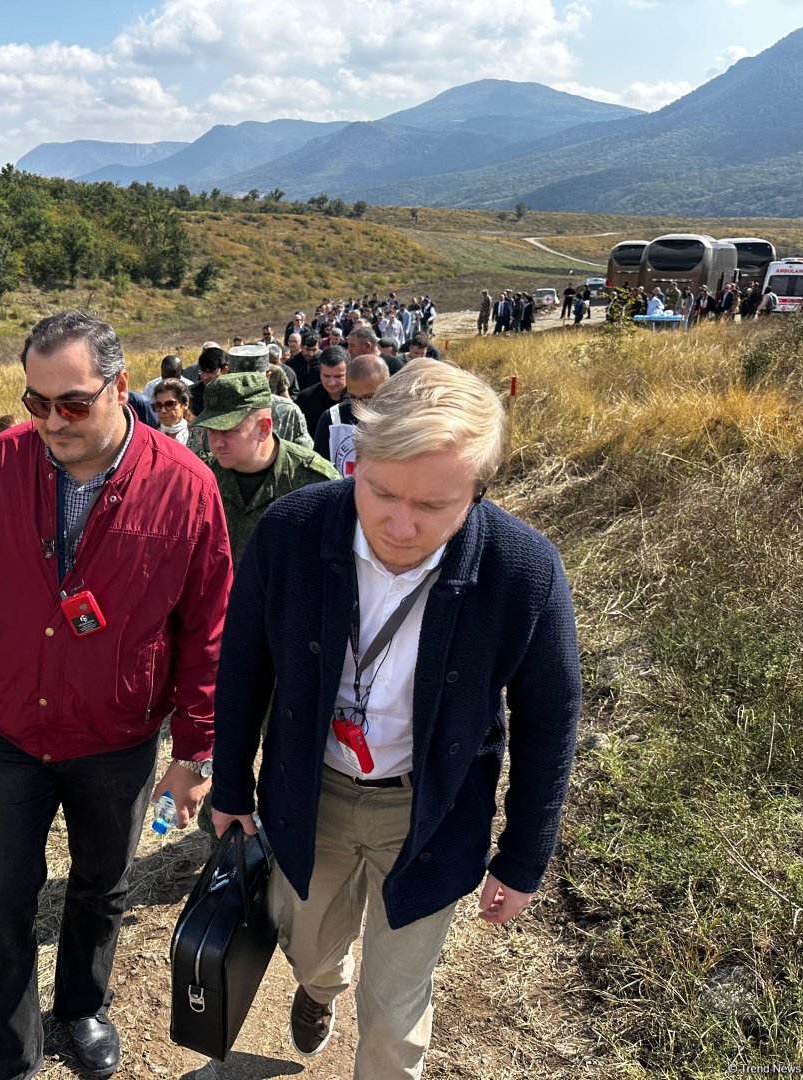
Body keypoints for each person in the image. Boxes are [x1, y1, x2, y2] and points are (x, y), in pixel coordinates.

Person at [211, 359, 582, 1079]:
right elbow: (244, 664)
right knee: (310, 947)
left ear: (478, 490)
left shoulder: (524, 570)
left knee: (396, 1010)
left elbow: (550, 716)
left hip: (429, 816)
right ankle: (321, 987)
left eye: (436, 506)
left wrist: (525, 853)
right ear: (356, 457)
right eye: (380, 492)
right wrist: (230, 784)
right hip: (309, 793)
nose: (401, 525)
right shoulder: (291, 531)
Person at [0, 311, 232, 1080]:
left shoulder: (185, 487)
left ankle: (82, 1010)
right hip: (13, 731)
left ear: (122, 388)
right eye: (36, 402)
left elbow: (208, 630)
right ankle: (9, 1054)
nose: (53, 421)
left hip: (117, 736)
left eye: (73, 403)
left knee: (102, 886)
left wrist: (194, 751)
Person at [196, 373, 339, 566]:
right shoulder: (202, 478)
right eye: (211, 430)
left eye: (228, 431)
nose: (216, 443)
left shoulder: (315, 481)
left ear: (264, 428)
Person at [312, 354, 391, 465]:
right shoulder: (332, 418)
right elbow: (319, 469)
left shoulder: (401, 417)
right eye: (353, 397)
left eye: (368, 397)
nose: (359, 405)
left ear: (387, 387)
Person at [295, 345, 350, 439]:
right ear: (320, 371)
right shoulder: (305, 400)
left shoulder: (361, 399)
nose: (332, 383)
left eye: (338, 376)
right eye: (326, 376)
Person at [188, 346, 228, 417]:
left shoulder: (235, 391)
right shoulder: (191, 394)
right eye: (203, 371)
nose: (205, 377)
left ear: (224, 370)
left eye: (210, 372)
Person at [152, 378, 193, 445]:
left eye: (170, 404)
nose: (163, 410)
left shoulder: (202, 437)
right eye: (158, 405)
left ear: (185, 404)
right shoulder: (149, 438)